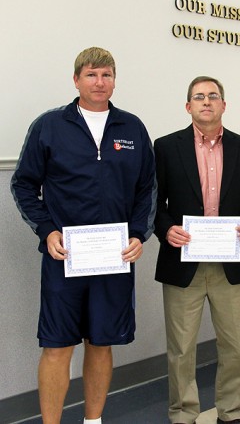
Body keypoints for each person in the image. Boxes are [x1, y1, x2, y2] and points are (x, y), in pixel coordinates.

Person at [10, 47, 157, 424]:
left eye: (107, 74)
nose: (99, 82)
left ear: (114, 79)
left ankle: (93, 421)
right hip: (66, 258)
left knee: (101, 342)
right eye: (91, 75)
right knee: (57, 346)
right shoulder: (50, 125)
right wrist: (47, 232)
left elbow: (147, 190)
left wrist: (140, 234)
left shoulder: (132, 128)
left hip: (114, 259)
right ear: (76, 79)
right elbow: (24, 184)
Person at [153, 76, 240, 424]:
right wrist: (166, 228)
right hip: (182, 261)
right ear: (188, 106)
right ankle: (183, 414)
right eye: (199, 97)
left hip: (229, 262)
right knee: (182, 349)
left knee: (236, 346)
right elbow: (153, 202)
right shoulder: (166, 147)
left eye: (213, 96)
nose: (206, 101)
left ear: (223, 105)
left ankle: (230, 412)